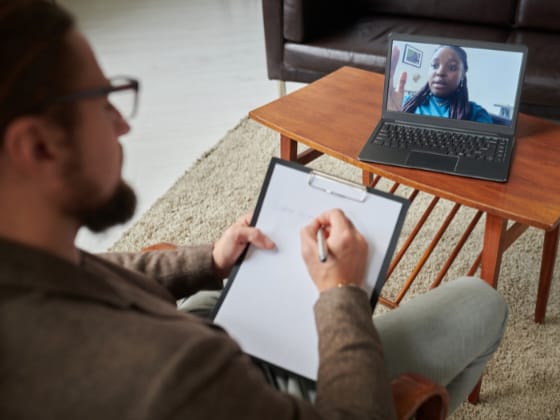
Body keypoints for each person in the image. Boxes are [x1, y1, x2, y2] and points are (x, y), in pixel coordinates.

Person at [0, 1, 508, 418]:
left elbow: (93, 271)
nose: (122, 125)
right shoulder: (169, 375)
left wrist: (211, 263)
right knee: (483, 302)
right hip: (238, 380)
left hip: (201, 327)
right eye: (104, 101)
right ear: (39, 147)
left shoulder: (28, 260)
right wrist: (342, 294)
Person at [388, 44, 493, 123]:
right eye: (434, 65)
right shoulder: (405, 102)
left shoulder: (476, 115)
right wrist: (391, 118)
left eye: (452, 67)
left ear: (462, 74)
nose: (440, 72)